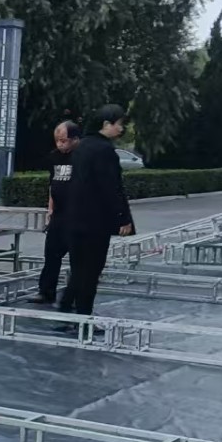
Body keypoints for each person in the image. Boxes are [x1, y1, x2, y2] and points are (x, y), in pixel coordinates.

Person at [59, 105, 135, 316]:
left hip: (75, 218)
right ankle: (84, 316)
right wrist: (123, 218)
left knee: (79, 269)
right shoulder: (104, 150)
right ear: (106, 124)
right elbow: (111, 187)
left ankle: (66, 308)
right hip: (95, 221)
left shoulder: (81, 146)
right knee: (91, 270)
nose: (121, 129)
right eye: (119, 124)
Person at [31, 120, 79, 304]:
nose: (60, 144)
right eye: (57, 141)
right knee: (51, 253)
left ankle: (74, 296)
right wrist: (50, 209)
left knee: (77, 257)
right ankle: (46, 291)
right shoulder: (55, 157)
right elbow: (53, 185)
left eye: (64, 141)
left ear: (75, 139)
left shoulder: (83, 157)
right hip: (59, 213)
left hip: (78, 214)